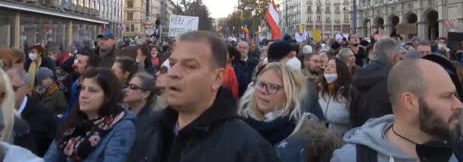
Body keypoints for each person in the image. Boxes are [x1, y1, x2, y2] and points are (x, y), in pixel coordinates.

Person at [132, 31, 280, 162]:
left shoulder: (248, 148)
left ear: (217, 78)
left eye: (190, 66)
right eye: (172, 63)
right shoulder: (148, 127)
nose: (173, 73)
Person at [331, 58, 463, 162]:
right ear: (410, 102)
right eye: (447, 96)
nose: (459, 105)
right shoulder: (352, 158)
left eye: (455, 95)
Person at [44, 68, 136, 162]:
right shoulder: (73, 120)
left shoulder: (122, 126)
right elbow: (50, 157)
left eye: (92, 91)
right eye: (83, 88)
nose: (83, 95)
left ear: (108, 97)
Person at [241, 62, 327, 162]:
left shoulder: (305, 135)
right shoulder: (239, 124)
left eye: (273, 87)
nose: (263, 91)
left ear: (289, 92)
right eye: (261, 84)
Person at [350, 37, 402, 128]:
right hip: (384, 135)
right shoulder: (394, 80)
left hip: (360, 134)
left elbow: (352, 112)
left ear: (374, 54)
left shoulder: (357, 75)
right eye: (400, 57)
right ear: (395, 57)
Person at [8, 67, 56, 156]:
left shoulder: (44, 116)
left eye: (13, 88)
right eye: (4, 89)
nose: (8, 93)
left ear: (26, 88)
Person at [318, 58, 351, 136]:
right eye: (327, 66)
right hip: (323, 136)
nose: (328, 68)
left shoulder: (348, 92)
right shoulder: (321, 90)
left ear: (340, 72)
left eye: (332, 66)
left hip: (343, 137)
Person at [67, 48, 101, 114]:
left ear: (89, 68)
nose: (75, 65)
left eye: (79, 62)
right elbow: (70, 109)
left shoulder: (96, 87)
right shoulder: (75, 84)